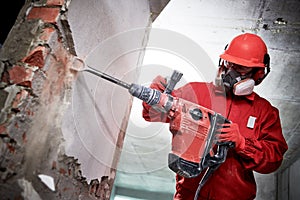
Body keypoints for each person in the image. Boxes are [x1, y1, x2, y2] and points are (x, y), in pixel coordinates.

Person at [142, 33, 288, 200]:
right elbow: (151, 114)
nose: (231, 72)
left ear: (257, 74)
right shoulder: (196, 92)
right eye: (229, 63)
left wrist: (242, 143)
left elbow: (274, 160)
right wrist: (154, 96)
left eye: (241, 68)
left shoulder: (265, 112)